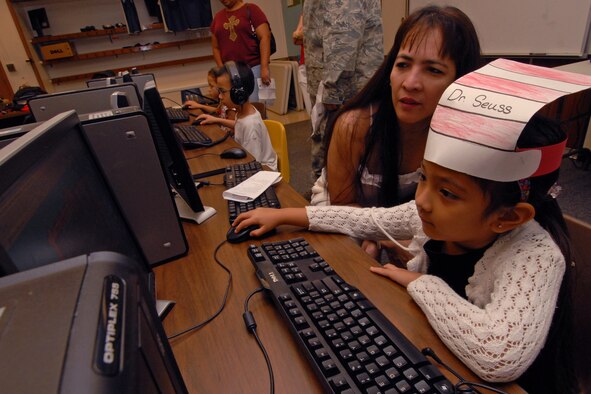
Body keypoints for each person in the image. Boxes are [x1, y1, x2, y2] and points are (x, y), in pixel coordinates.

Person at [232, 59, 591, 392]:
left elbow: (498, 357)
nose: (422, 199)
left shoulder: (536, 255)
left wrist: (423, 284)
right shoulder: (429, 214)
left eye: (447, 192)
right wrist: (288, 215)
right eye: (424, 177)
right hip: (444, 358)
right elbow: (370, 220)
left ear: (508, 217)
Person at [312, 5, 482, 264]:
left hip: (415, 235)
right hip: (346, 215)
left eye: (433, 70)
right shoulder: (353, 126)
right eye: (402, 64)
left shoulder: (465, 140)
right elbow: (342, 207)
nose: (410, 83)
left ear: (461, 81)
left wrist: (402, 242)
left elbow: (462, 225)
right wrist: (381, 238)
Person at [303, 0, 384, 182]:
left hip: (346, 87)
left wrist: (334, 89)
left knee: (341, 153)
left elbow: (343, 32)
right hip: (334, 83)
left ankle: (333, 201)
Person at [214, 61, 277, 171]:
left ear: (238, 93)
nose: (219, 96)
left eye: (222, 91)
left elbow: (252, 166)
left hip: (264, 172)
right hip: (251, 164)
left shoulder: (250, 125)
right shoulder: (242, 113)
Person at [210, 0, 272, 102]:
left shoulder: (252, 9)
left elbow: (265, 37)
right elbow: (215, 47)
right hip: (230, 72)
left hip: (253, 68)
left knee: (254, 106)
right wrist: (222, 70)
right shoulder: (217, 18)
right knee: (235, 107)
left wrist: (264, 68)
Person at [187, 66, 237, 132]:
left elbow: (235, 126)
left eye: (211, 86)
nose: (209, 90)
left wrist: (216, 120)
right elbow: (218, 111)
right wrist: (200, 106)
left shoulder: (230, 106)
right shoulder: (223, 102)